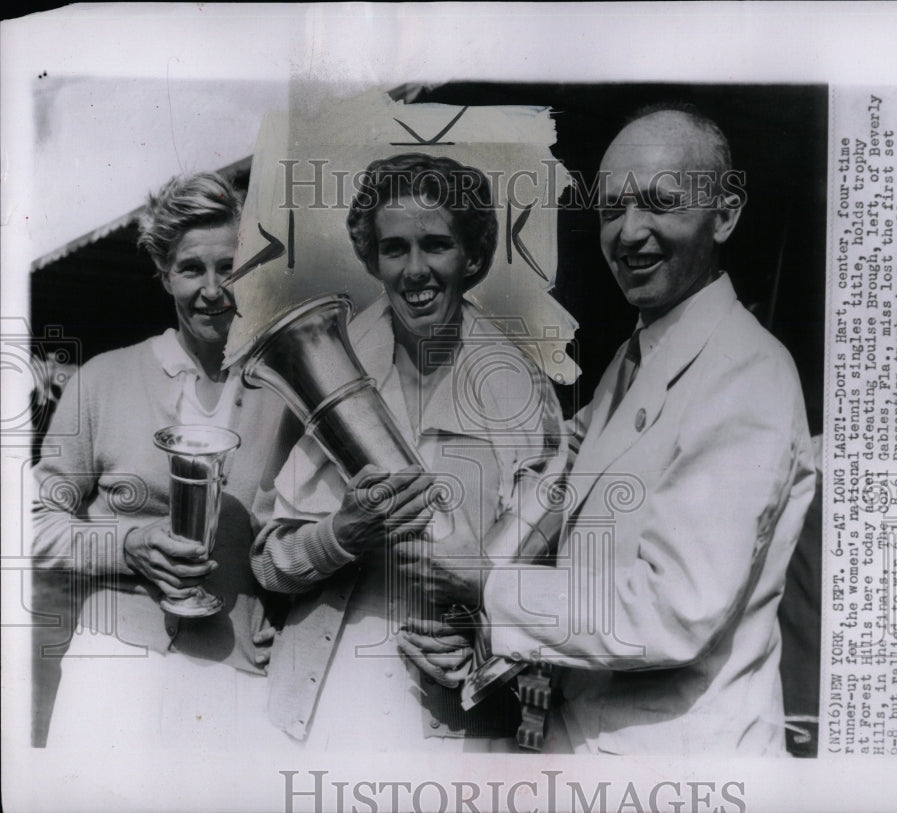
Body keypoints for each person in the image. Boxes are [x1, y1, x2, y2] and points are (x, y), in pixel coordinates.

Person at [400, 106, 817, 754]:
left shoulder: (747, 377)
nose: (629, 232)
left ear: (726, 213)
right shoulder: (637, 357)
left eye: (659, 203)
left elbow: (671, 608)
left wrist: (486, 585)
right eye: (612, 209)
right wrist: (476, 617)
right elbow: (561, 474)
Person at [251, 153, 565, 750]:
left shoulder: (526, 390)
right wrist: (341, 535)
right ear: (371, 258)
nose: (414, 270)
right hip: (319, 710)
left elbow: (556, 586)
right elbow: (268, 566)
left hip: (454, 723)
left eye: (436, 245)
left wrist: (483, 633)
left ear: (472, 256)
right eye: (394, 248)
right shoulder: (321, 366)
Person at [33, 172, 286, 747]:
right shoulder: (102, 380)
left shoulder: (284, 398)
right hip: (116, 671)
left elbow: (301, 540)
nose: (213, 289)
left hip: (241, 684)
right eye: (192, 269)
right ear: (164, 273)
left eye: (230, 266)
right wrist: (126, 545)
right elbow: (34, 526)